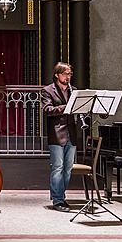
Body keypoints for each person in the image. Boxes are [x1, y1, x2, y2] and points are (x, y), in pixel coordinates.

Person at [41, 62, 77, 212]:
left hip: (72, 133)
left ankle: (61, 196)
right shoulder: (47, 90)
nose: (68, 77)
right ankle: (57, 200)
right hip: (57, 133)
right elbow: (47, 109)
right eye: (65, 74)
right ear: (57, 74)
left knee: (68, 168)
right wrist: (66, 107)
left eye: (70, 74)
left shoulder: (74, 90)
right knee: (58, 167)